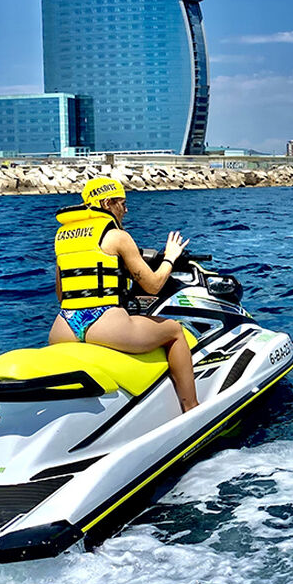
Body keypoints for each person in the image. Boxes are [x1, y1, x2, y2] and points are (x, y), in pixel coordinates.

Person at [48, 177, 198, 413]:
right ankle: (191, 407)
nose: (126, 210)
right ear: (108, 203)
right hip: (105, 323)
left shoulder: (63, 238)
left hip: (63, 327)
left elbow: (61, 294)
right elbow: (153, 286)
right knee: (174, 331)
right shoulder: (118, 237)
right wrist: (170, 257)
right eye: (123, 203)